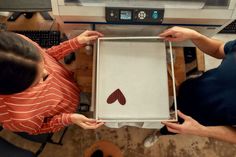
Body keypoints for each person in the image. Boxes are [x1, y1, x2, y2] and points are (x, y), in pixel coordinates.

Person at [144, 26, 236, 147]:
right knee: (168, 101)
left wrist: (201, 130)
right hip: (191, 88)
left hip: (204, 118)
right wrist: (195, 36)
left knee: (172, 127)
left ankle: (159, 133)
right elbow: (218, 49)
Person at [0, 30, 104, 134]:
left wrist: (74, 43)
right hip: (66, 109)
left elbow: (47, 55)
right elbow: (40, 128)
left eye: (43, 63)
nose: (46, 72)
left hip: (69, 87)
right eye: (37, 81)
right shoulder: (20, 117)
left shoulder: (17, 47)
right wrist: (68, 119)